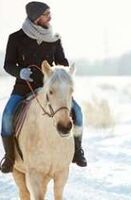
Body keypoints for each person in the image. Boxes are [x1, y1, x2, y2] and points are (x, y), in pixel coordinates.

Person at [0, 1, 87, 173]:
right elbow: (8, 65)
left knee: (77, 112)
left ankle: (77, 151)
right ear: (35, 17)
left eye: (49, 13)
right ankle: (10, 158)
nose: (50, 17)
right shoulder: (16, 38)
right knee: (7, 115)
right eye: (46, 14)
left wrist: (56, 72)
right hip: (23, 88)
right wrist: (20, 72)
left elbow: (62, 63)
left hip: (52, 90)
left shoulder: (55, 38)